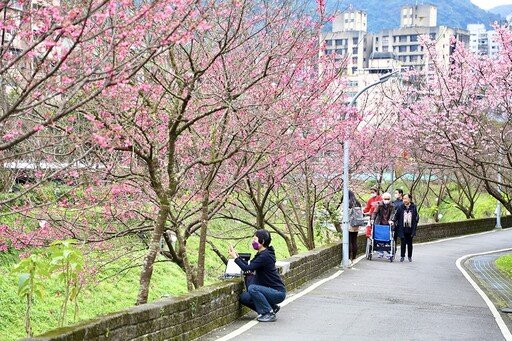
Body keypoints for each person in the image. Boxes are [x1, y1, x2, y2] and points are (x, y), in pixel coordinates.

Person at [228, 229, 286, 322]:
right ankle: (272, 307)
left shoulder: (265, 256)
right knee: (244, 298)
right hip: (268, 290)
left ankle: (268, 313)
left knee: (253, 288)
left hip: (277, 292)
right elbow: (249, 266)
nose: (253, 242)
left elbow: (247, 269)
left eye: (255, 239)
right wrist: (238, 257)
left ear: (262, 241)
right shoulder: (262, 254)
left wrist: (235, 258)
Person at [393, 193, 419, 262]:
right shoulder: (401, 207)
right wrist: (393, 221)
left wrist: (415, 222)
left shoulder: (413, 207)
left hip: (410, 228)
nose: (404, 200)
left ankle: (409, 256)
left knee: (410, 243)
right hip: (402, 228)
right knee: (403, 242)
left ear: (409, 199)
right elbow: (396, 216)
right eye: (403, 198)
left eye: (406, 198)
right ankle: (402, 256)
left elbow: (416, 216)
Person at [371, 192, 395, 258]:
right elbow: (375, 213)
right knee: (378, 237)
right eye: (385, 199)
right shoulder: (379, 205)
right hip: (380, 222)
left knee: (388, 238)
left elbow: (392, 214)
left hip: (388, 224)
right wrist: (372, 219)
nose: (386, 200)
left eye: (388, 199)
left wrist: (391, 220)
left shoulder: (392, 206)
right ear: (383, 198)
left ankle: (388, 253)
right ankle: (380, 252)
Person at [348, 190, 363, 266]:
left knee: (349, 241)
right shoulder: (358, 203)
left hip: (350, 224)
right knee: (354, 240)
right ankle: (354, 256)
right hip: (357, 224)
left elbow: (347, 214)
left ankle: (348, 257)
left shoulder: (348, 203)